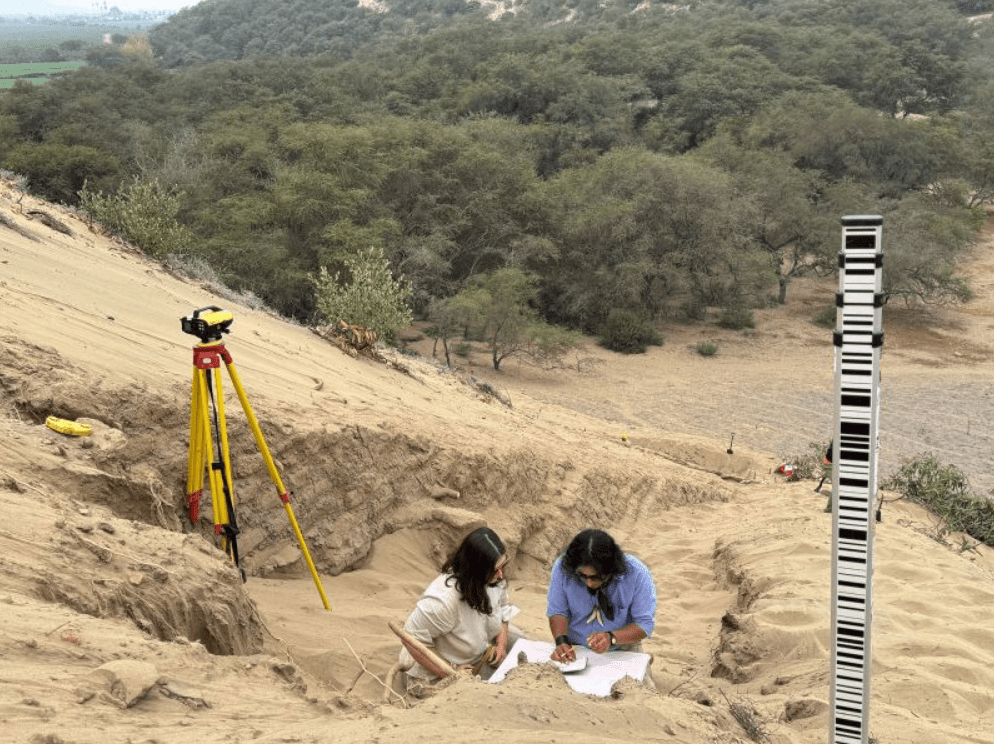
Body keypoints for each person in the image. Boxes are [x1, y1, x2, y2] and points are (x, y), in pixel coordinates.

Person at [399, 527, 520, 689]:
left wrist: (501, 644)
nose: (501, 575)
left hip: (479, 644)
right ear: (476, 571)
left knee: (529, 647)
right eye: (495, 570)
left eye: (502, 567)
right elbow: (412, 640)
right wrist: (451, 671)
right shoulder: (442, 602)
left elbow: (503, 609)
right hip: (435, 670)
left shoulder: (495, 579)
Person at [547, 529, 656, 664]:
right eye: (582, 576)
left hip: (622, 648)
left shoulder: (637, 573)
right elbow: (558, 611)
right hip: (575, 648)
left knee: (635, 684)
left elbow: (644, 624)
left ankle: (644, 661)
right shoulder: (562, 568)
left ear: (612, 569)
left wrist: (611, 638)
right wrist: (561, 641)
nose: (589, 583)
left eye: (596, 577)